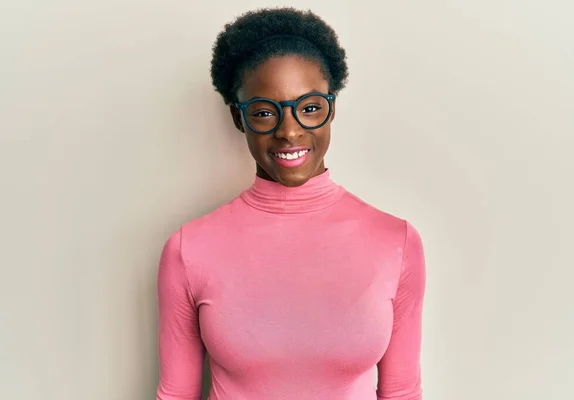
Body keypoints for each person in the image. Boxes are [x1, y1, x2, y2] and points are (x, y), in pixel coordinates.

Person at [156, 7, 426, 400]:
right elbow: (175, 394)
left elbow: (402, 392)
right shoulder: (188, 250)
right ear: (238, 117)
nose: (290, 131)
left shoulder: (396, 243)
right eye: (265, 113)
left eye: (310, 107)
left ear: (331, 107)